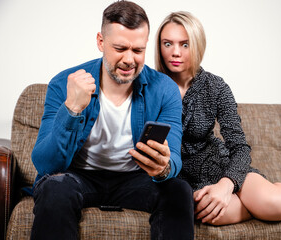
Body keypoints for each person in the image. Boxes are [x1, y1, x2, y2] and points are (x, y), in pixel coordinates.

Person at [155, 11, 281, 226]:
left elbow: (240, 147)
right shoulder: (152, 86)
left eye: (184, 44)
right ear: (159, 46)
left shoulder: (216, 87)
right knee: (209, 214)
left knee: (271, 203)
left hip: (222, 169)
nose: (175, 52)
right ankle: (266, 202)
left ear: (197, 45)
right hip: (183, 180)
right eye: (168, 44)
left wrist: (227, 184)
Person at [30, 2, 194, 239]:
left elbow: (174, 159)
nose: (129, 59)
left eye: (138, 50)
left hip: (134, 180)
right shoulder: (64, 83)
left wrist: (163, 168)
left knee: (179, 190)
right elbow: (45, 164)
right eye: (120, 48)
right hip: (79, 176)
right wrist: (72, 109)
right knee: (55, 189)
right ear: (100, 42)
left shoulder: (164, 89)